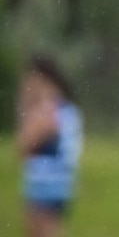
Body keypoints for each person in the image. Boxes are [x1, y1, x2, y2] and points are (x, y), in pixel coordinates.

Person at [16, 56, 83, 237]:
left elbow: (23, 145)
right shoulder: (67, 109)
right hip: (62, 182)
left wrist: (25, 106)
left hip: (45, 183)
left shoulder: (47, 111)